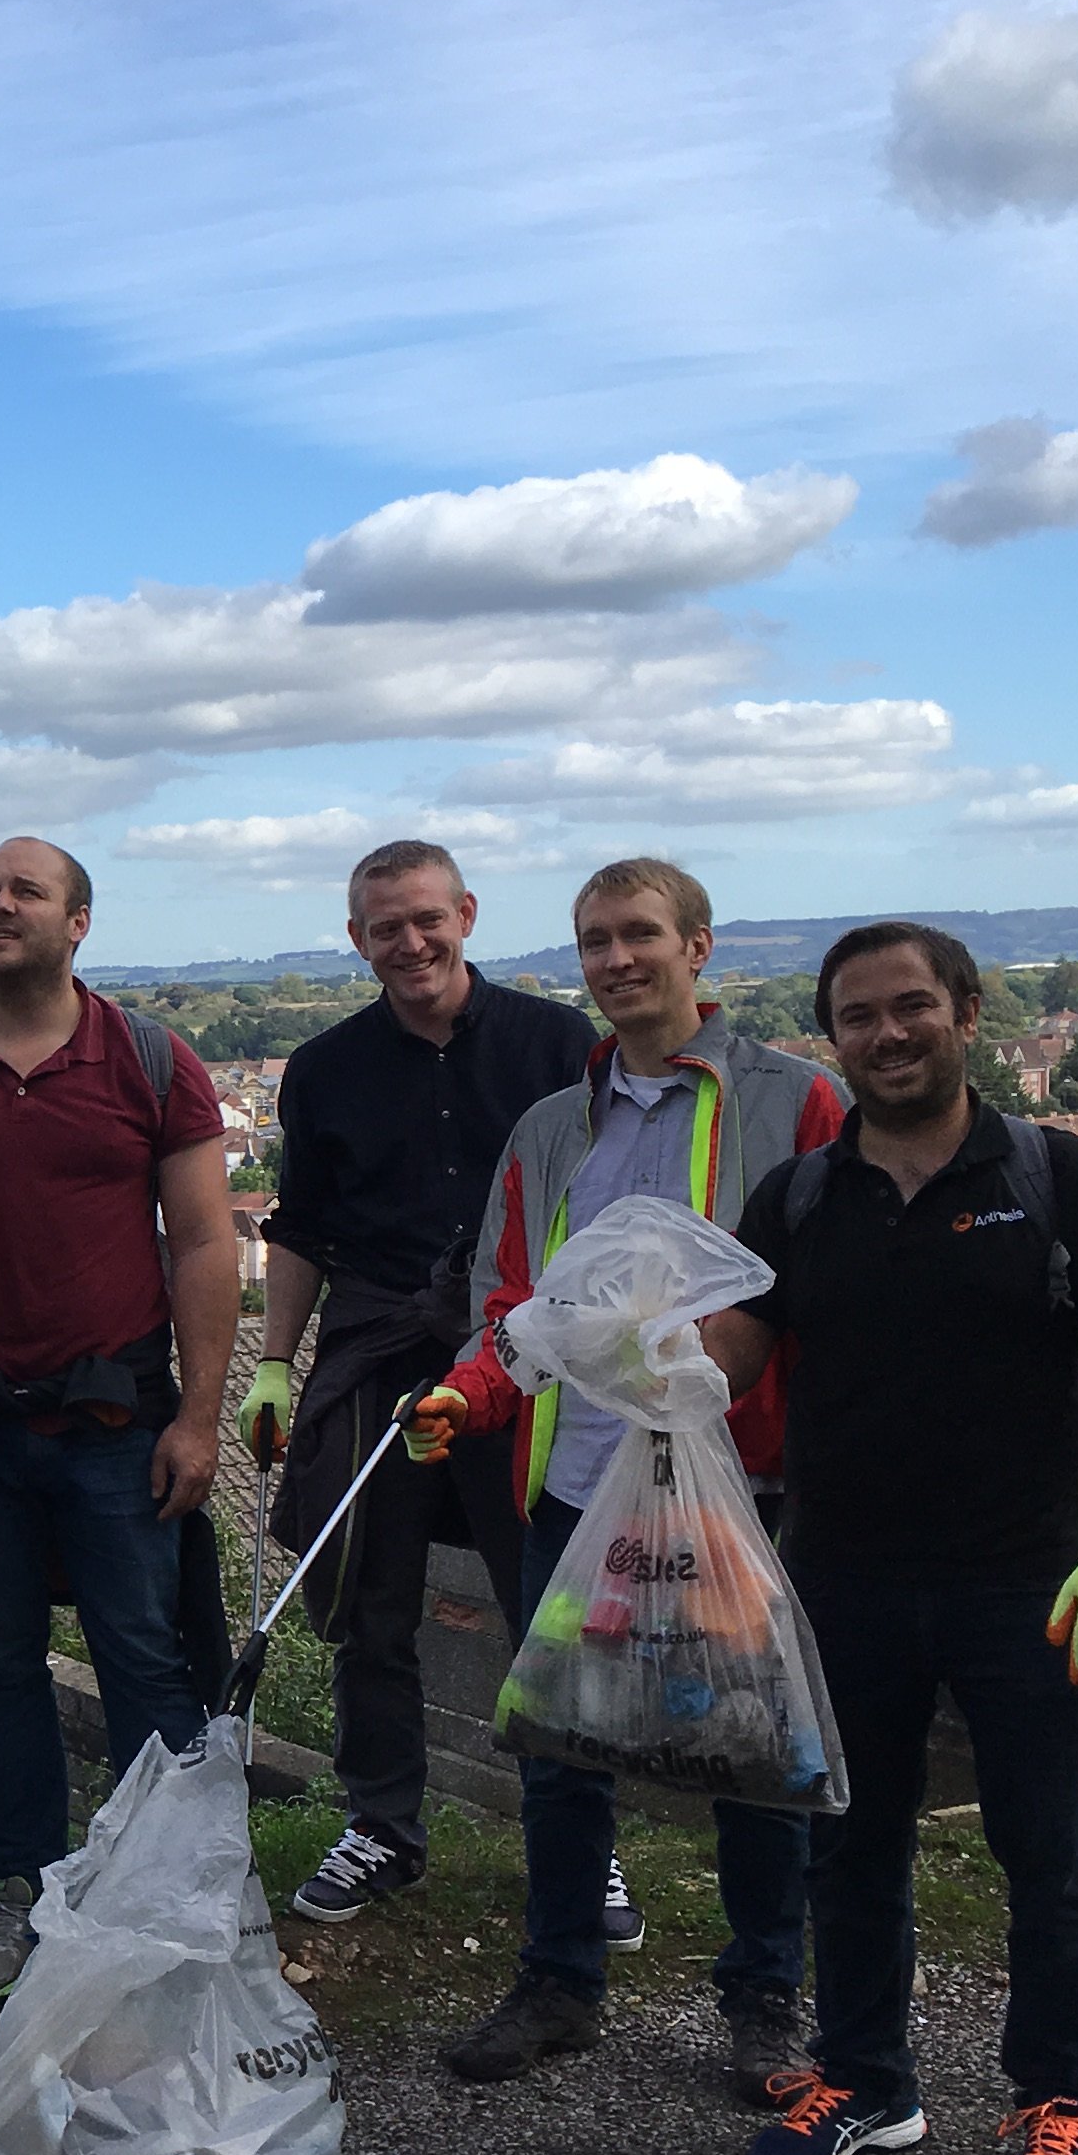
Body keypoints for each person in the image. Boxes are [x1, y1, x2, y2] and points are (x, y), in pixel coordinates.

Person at [701, 922, 1078, 2155]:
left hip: (1034, 1580)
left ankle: (1062, 2102)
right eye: (859, 1017)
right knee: (848, 1849)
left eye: (912, 1008)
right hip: (844, 1577)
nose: (888, 1035)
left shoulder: (1063, 1177)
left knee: (1055, 1856)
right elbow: (732, 1355)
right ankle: (864, 2081)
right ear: (832, 1037)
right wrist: (639, 1360)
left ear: (966, 1013)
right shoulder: (797, 1198)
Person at [407, 859, 845, 2092]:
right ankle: (558, 1980)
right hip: (575, 1485)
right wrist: (469, 1394)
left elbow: (824, 1303)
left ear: (699, 946)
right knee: (561, 1744)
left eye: (640, 935)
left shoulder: (795, 1106)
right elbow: (513, 1306)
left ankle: (765, 1996)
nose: (615, 960)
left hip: (736, 1492)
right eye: (595, 941)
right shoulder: (553, 1129)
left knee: (754, 1751)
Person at [0, 837, 236, 1951]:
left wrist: (199, 1418)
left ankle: (165, 1890)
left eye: (25, 891)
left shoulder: (148, 1061)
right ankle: (23, 1889)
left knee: (142, 1651)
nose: (0, 905)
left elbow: (201, 1245)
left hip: (115, 1419)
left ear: (77, 922)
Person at [243, 841, 591, 1923]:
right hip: (381, 1356)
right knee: (368, 1604)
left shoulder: (559, 1043)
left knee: (550, 1607)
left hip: (521, 1355)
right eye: (384, 927)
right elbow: (298, 1228)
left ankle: (583, 1842)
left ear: (468, 916)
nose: (409, 942)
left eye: (426, 919)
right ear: (357, 940)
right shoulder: (325, 1068)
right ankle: (383, 1827)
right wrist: (269, 1364)